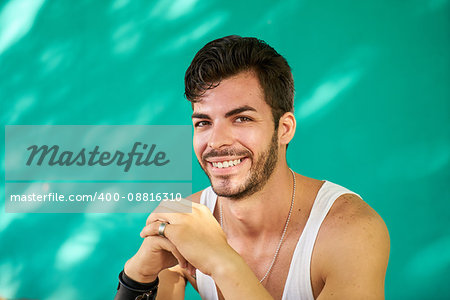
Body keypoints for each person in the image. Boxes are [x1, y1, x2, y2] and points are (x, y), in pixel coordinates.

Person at [114, 35, 390, 300]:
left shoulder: (350, 230)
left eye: (242, 119)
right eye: (203, 122)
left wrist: (222, 261)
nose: (217, 141)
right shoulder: (186, 219)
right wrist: (138, 275)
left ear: (284, 129)